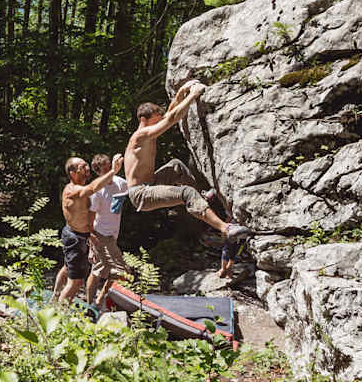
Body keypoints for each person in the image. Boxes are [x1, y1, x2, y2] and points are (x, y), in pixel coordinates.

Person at [122, 80, 251, 241]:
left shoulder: (147, 134)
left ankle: (200, 198)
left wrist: (181, 91)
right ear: (144, 119)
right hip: (141, 193)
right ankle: (226, 228)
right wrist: (193, 95)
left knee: (176, 165)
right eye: (156, 119)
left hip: (151, 181)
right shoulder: (139, 136)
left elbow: (169, 115)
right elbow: (171, 119)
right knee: (186, 192)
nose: (159, 122)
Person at [54, 153, 120, 304]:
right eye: (82, 166)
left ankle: (55, 298)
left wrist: (90, 235)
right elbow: (91, 189)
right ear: (72, 173)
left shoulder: (80, 187)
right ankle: (60, 314)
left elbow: (86, 216)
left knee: (67, 268)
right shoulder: (72, 191)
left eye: (86, 165)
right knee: (76, 282)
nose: (87, 167)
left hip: (81, 235)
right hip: (74, 237)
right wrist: (113, 172)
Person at [85, 153, 131, 307]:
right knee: (122, 273)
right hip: (100, 236)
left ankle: (97, 302)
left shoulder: (122, 183)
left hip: (113, 235)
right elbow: (89, 221)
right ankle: (89, 304)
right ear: (98, 172)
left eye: (109, 168)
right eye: (104, 170)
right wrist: (91, 246)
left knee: (100, 271)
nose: (108, 173)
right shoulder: (97, 190)